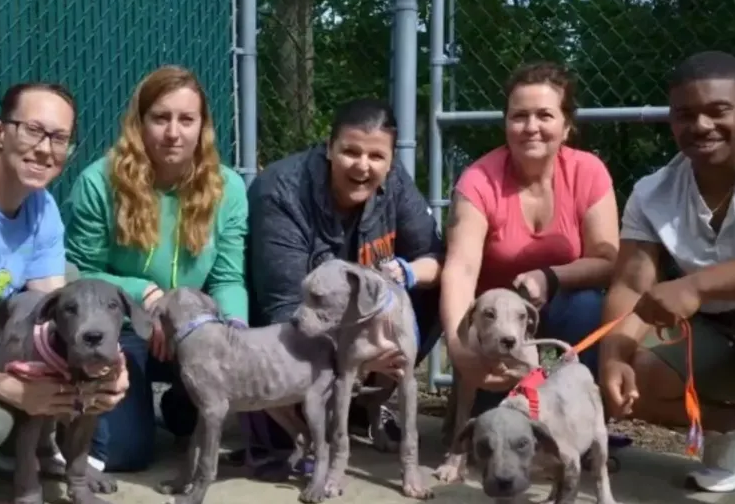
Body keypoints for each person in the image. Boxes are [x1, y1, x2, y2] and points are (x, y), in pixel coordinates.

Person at [598, 50, 735, 504]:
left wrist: (696, 286)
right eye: (684, 114)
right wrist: (613, 355)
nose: (700, 124)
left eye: (716, 110)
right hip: (714, 337)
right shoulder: (653, 191)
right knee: (629, 365)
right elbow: (632, 285)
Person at [0, 83, 129, 504]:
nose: (44, 148)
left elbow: (55, 309)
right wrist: (1, 384)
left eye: (58, 138)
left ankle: (16, 450)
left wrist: (107, 366)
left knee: (74, 286)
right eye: (33, 130)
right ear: (0, 132)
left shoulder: (42, 209)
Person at [239, 97, 445, 481]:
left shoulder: (395, 181)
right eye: (350, 151)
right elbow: (286, 309)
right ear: (329, 147)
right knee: (278, 433)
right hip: (293, 328)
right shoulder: (280, 191)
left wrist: (408, 272)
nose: (363, 166)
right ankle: (306, 411)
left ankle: (369, 401)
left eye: (376, 156)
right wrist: (360, 352)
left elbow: (434, 257)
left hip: (358, 328)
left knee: (438, 293)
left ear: (390, 159)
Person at [62, 65, 249, 473]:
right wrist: (143, 293)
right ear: (139, 123)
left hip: (194, 330)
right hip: (124, 329)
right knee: (125, 454)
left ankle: (177, 405)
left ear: (203, 126)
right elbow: (79, 274)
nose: (173, 132)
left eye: (187, 119)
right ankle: (89, 414)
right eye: (160, 118)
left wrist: (235, 334)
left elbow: (228, 277)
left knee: (203, 415)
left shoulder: (229, 188)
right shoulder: (99, 183)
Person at [438, 61, 621, 470]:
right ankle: (479, 414)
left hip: (558, 323)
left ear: (566, 124)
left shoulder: (588, 172)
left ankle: (573, 428)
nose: (531, 126)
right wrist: (458, 346)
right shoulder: (479, 179)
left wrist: (551, 277)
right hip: (496, 333)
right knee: (491, 432)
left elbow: (609, 260)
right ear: (506, 122)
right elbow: (461, 268)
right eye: (519, 116)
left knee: (589, 305)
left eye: (544, 115)